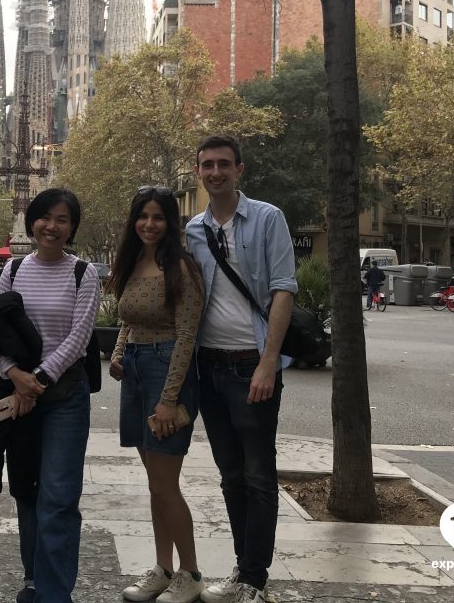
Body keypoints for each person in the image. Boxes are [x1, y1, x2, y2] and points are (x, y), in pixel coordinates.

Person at [185, 136, 297, 603]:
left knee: (257, 473)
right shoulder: (193, 229)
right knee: (229, 473)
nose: (216, 172)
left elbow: (283, 290)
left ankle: (255, 577)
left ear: (239, 170)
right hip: (208, 366)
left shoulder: (268, 218)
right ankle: (241, 569)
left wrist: (268, 363)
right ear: (199, 172)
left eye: (224, 165)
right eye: (207, 165)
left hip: (251, 364)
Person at [0, 188, 100, 603]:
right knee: (26, 489)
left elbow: (79, 336)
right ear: (32, 221)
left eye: (62, 220)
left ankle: (55, 594)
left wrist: (36, 378)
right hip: (20, 394)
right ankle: (33, 580)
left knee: (58, 496)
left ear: (72, 228)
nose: (51, 226)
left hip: (64, 398)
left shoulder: (83, 273)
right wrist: (14, 374)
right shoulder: (14, 270)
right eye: (44, 217)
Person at [107, 186, 208, 603]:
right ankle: (163, 568)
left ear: (172, 223)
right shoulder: (132, 263)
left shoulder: (181, 269)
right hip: (134, 369)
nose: (149, 224)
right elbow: (128, 320)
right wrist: (117, 354)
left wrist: (169, 399)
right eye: (143, 217)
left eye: (159, 217)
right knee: (155, 484)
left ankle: (191, 572)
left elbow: (187, 335)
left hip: (168, 372)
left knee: (166, 484)